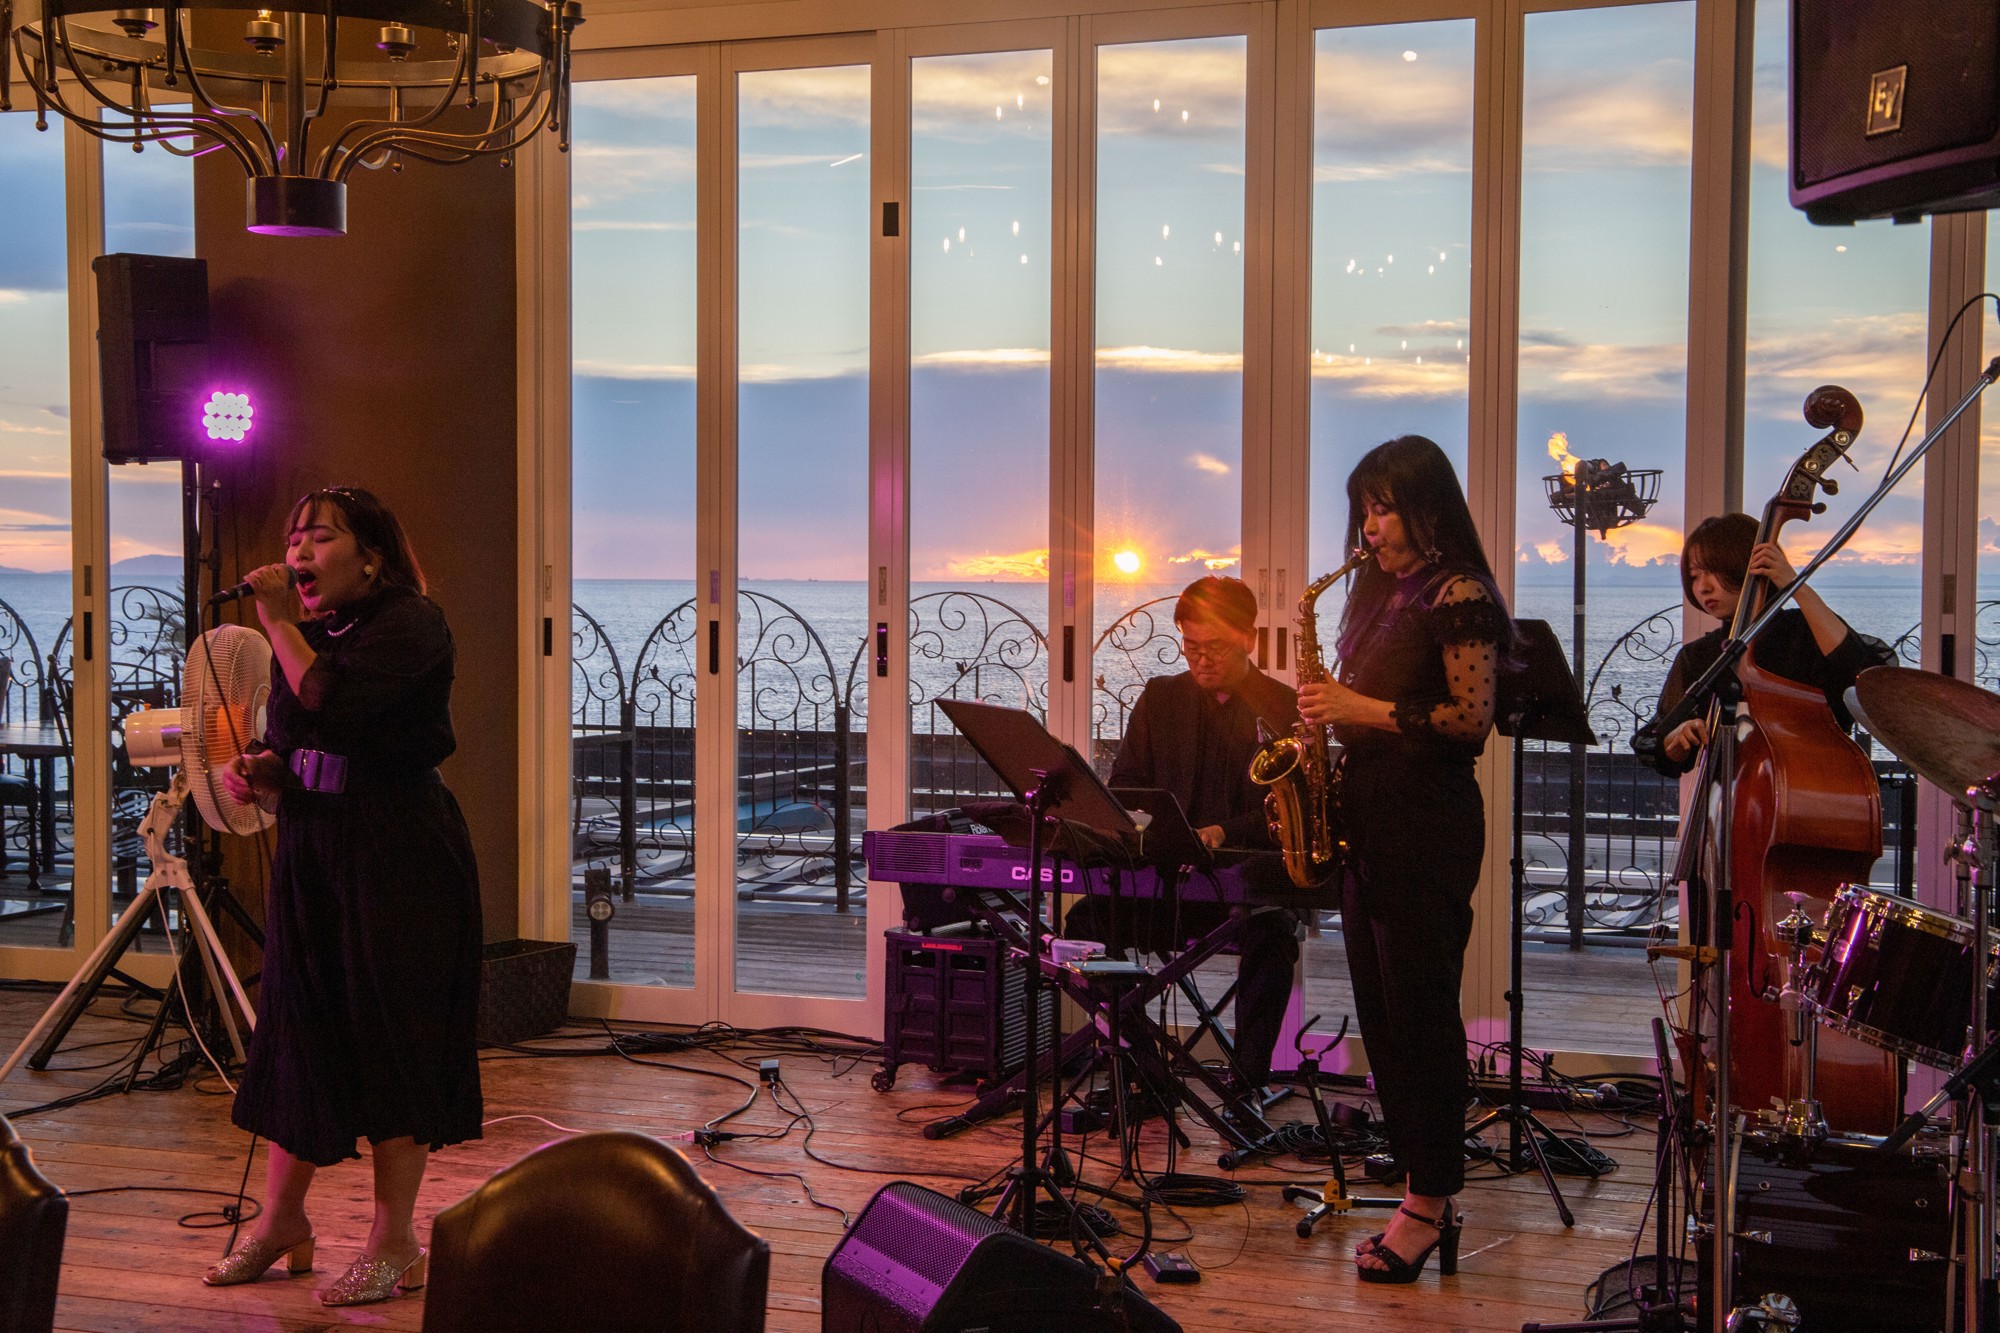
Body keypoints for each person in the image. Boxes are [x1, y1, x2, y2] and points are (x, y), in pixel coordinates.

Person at [204, 486, 483, 1308]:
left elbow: (331, 698)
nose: (297, 550)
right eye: (293, 535)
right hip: (316, 847)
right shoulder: (312, 634)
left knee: (391, 1032)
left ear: (371, 556)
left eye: (319, 536)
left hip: (396, 851)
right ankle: (281, 1220)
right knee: (299, 1025)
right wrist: (266, 770)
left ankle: (395, 1241)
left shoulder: (411, 624)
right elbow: (301, 734)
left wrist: (275, 621)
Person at [1297, 435, 1513, 1285]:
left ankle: (1429, 1201)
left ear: (1427, 508)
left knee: (1422, 1015)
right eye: (1363, 509)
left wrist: (1357, 707)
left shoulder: (1461, 593)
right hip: (1369, 814)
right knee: (1384, 1016)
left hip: (1426, 821)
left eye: (1384, 509)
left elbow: (1469, 719)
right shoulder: (1377, 592)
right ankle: (1424, 1183)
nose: (1369, 528)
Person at [1067, 574, 1303, 1094]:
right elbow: (1125, 785)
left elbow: (1289, 814)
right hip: (1167, 884)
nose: (1201, 660)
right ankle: (1148, 1073)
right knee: (1084, 922)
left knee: (1274, 934)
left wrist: (1222, 832)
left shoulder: (1283, 707)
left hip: (1245, 887)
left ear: (1248, 639)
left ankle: (1246, 1088)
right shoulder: (1161, 697)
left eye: (1214, 647)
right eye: (1190, 647)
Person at [1636, 512, 1893, 775]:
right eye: (1694, 576)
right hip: (1725, 797)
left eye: (1714, 571)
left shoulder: (1805, 633)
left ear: (1747, 566)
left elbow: (1867, 677)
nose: (1703, 587)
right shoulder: (1698, 656)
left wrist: (1795, 586)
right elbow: (1656, 743)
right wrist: (1676, 738)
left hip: (1813, 780)